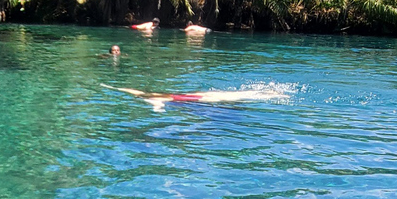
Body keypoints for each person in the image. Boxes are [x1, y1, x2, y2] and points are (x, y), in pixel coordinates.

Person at [101, 84, 285, 111]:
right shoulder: (157, 94)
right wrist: (112, 87)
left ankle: (267, 95)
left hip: (196, 100)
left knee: (236, 98)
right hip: (195, 95)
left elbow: (158, 107)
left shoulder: (153, 99)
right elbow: (132, 90)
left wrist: (157, 109)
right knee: (235, 95)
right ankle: (268, 92)